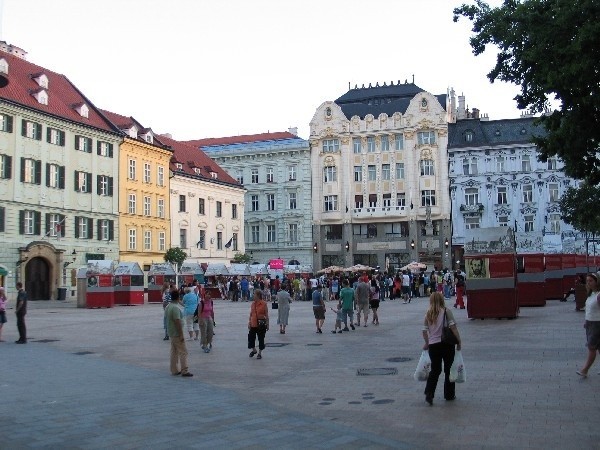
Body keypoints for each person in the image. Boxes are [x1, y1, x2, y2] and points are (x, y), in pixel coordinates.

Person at [422, 292, 461, 405]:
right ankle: (449, 394)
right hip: (447, 344)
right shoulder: (446, 311)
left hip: (434, 346)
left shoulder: (428, 314)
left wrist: (427, 342)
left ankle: (429, 392)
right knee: (449, 369)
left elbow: (424, 331)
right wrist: (459, 341)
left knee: (435, 370)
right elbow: (453, 327)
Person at [576, 273, 600, 378]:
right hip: (590, 322)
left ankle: (585, 369)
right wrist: (586, 321)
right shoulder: (591, 294)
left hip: (597, 323)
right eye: (587, 281)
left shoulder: (599, 295)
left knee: (592, 347)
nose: (588, 283)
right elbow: (590, 309)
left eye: (591, 281)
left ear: (597, 282)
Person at [165, 290, 193, 377]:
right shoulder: (175, 308)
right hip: (176, 333)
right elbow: (177, 322)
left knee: (174, 351)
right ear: (178, 297)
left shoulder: (168, 306)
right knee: (183, 351)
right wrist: (181, 335)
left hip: (171, 332)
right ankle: (184, 370)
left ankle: (174, 370)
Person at [248, 290, 269, 359]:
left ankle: (259, 353)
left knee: (261, 338)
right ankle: (254, 350)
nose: (253, 295)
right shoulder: (253, 304)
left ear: (258, 295)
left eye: (254, 294)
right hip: (253, 323)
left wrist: (267, 324)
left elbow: (266, 314)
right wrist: (249, 322)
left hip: (261, 324)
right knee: (251, 338)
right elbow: (251, 314)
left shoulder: (264, 304)